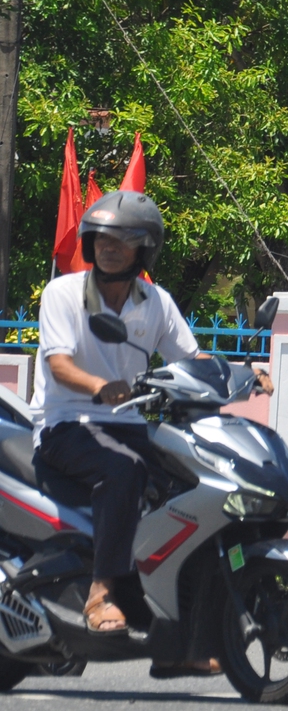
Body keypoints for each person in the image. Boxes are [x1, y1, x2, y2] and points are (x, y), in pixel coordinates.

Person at [32, 191, 211, 654]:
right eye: (101, 239)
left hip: (126, 424)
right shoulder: (63, 293)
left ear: (143, 248)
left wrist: (243, 372)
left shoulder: (156, 302)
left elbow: (192, 359)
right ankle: (100, 591)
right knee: (123, 470)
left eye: (122, 239)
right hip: (66, 424)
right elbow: (58, 365)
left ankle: (176, 636)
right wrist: (98, 386)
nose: (108, 247)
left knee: (190, 488)